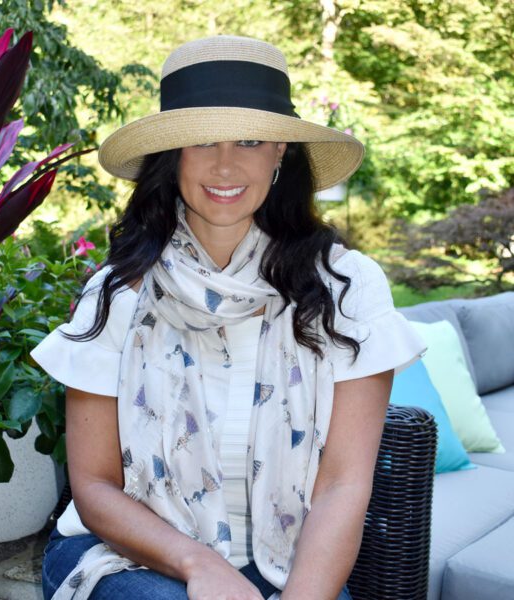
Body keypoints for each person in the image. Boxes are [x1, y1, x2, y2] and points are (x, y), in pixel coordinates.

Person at [32, 35, 425, 600]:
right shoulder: (118, 292)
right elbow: (93, 487)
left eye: (249, 139)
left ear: (280, 152)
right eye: (201, 142)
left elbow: (343, 484)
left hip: (286, 560)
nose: (225, 164)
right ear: (174, 156)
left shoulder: (345, 286)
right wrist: (199, 565)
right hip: (128, 557)